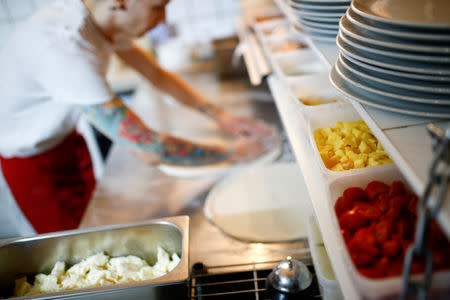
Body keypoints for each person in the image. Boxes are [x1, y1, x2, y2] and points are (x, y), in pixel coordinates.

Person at [0, 0, 274, 235]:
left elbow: (154, 74)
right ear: (121, 2)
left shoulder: (96, 18)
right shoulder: (64, 48)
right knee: (75, 246)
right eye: (158, 7)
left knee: (92, 223)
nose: (163, 19)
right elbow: (150, 149)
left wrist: (220, 116)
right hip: (32, 163)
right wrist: (233, 153)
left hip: (65, 140)